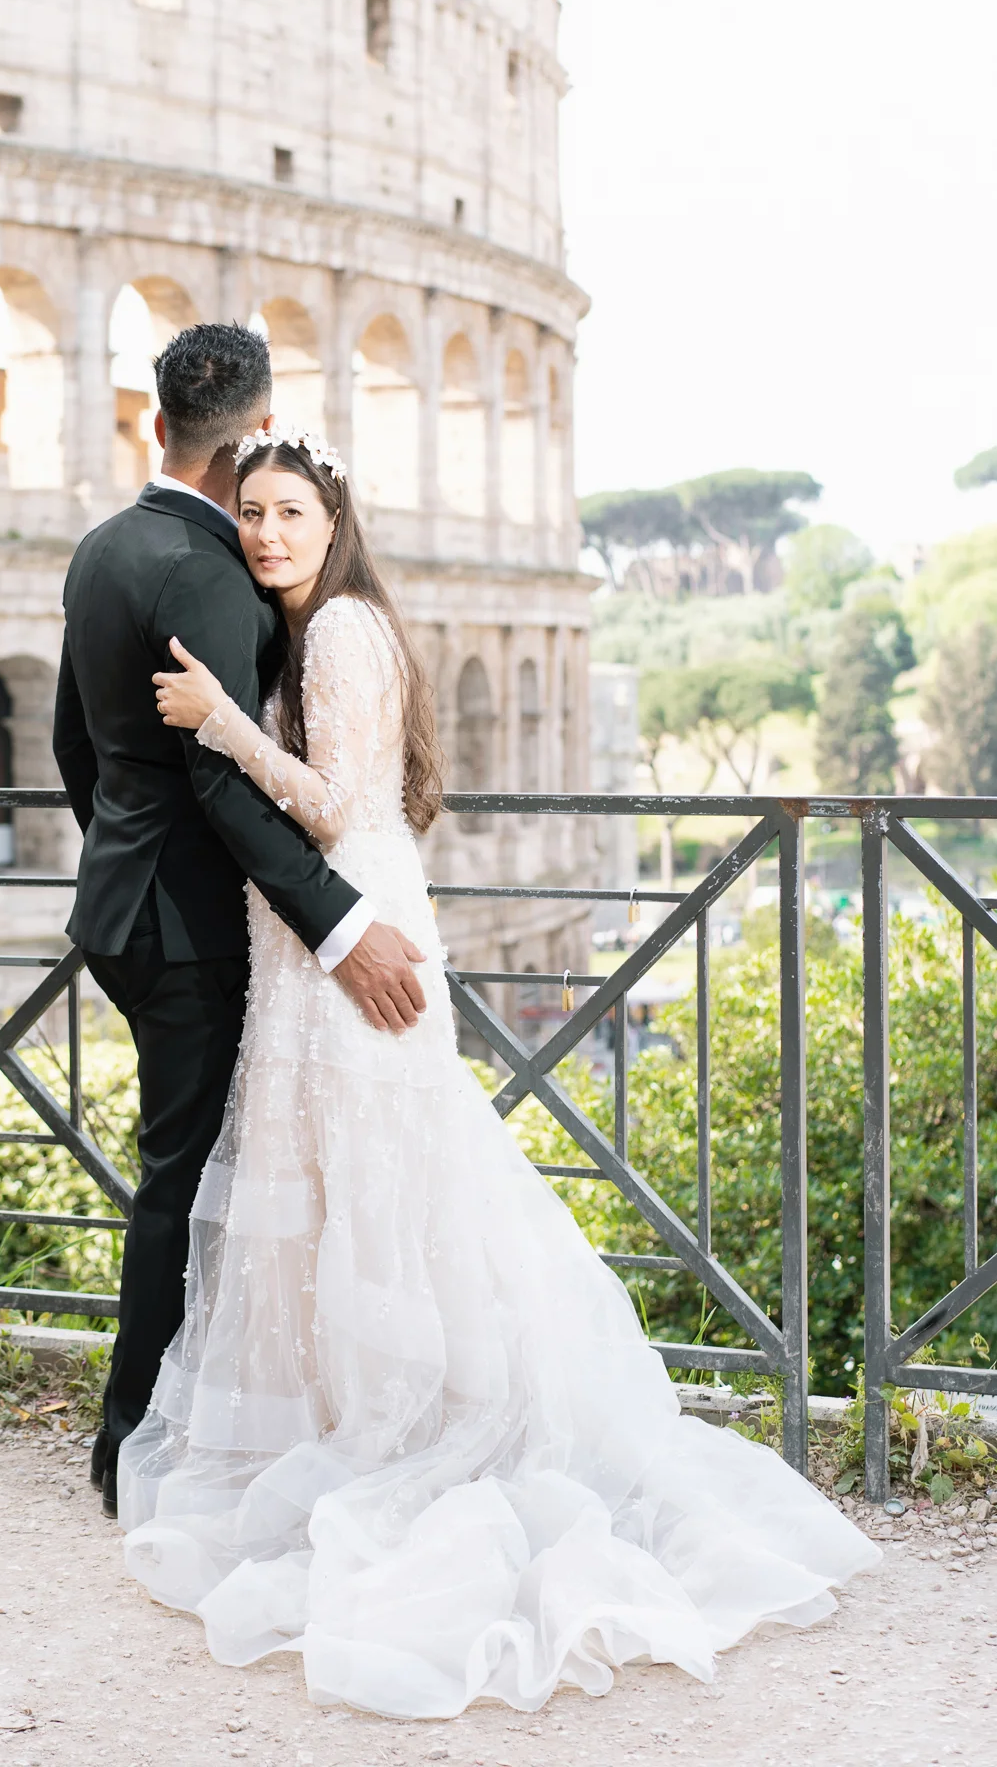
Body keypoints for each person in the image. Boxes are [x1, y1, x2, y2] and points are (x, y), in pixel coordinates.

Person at [117, 425, 878, 1720]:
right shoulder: (314, 628)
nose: (266, 534)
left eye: (291, 512)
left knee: (388, 1183)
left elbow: (339, 806)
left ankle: (405, 1420)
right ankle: (353, 1413)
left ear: (333, 520)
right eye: (250, 512)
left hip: (351, 923)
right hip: (312, 943)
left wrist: (226, 726)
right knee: (340, 1183)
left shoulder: (346, 630)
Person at [52, 325, 428, 1519]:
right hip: (193, 924)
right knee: (194, 1177)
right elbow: (220, 779)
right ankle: (139, 1435)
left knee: (220, 1168)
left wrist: (122, 847)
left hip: (122, 906)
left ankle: (219, 1412)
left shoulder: (102, 546)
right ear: (244, 435)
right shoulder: (209, 570)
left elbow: (77, 742)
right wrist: (339, 926)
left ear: (160, 421)